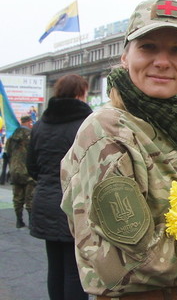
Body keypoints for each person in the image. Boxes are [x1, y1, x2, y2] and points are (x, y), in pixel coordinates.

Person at [60, 0, 177, 298]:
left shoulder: (175, 129)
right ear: (125, 57)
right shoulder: (107, 130)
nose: (162, 61)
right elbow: (128, 265)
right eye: (148, 47)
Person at [26, 74, 92, 300]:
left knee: (54, 267)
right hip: (76, 204)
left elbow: (31, 166)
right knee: (76, 270)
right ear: (79, 94)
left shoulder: (40, 125)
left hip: (45, 200)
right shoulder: (87, 123)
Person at [5, 115, 35, 228]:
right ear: (28, 122)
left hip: (14, 170)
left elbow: (7, 153)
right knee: (30, 198)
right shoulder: (30, 136)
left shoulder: (11, 138)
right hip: (27, 171)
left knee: (17, 198)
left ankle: (19, 220)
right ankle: (32, 222)